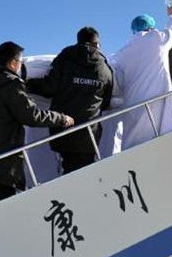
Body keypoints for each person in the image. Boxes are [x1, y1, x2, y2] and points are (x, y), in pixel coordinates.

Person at [0, 41, 75, 209]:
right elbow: (31, 115)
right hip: (0, 168)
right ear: (13, 63)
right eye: (20, 62)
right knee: (2, 218)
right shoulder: (11, 85)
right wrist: (61, 118)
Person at [28, 26, 114, 174]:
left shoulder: (66, 58)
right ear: (97, 44)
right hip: (89, 133)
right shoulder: (105, 68)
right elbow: (106, 103)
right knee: (85, 174)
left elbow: (49, 88)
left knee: (69, 172)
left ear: (78, 41)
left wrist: (27, 84)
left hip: (65, 129)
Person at [111, 5, 172, 150]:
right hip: (157, 97)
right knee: (160, 134)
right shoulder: (158, 38)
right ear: (151, 27)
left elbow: (117, 79)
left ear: (133, 30)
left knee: (133, 139)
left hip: (133, 101)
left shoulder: (123, 52)